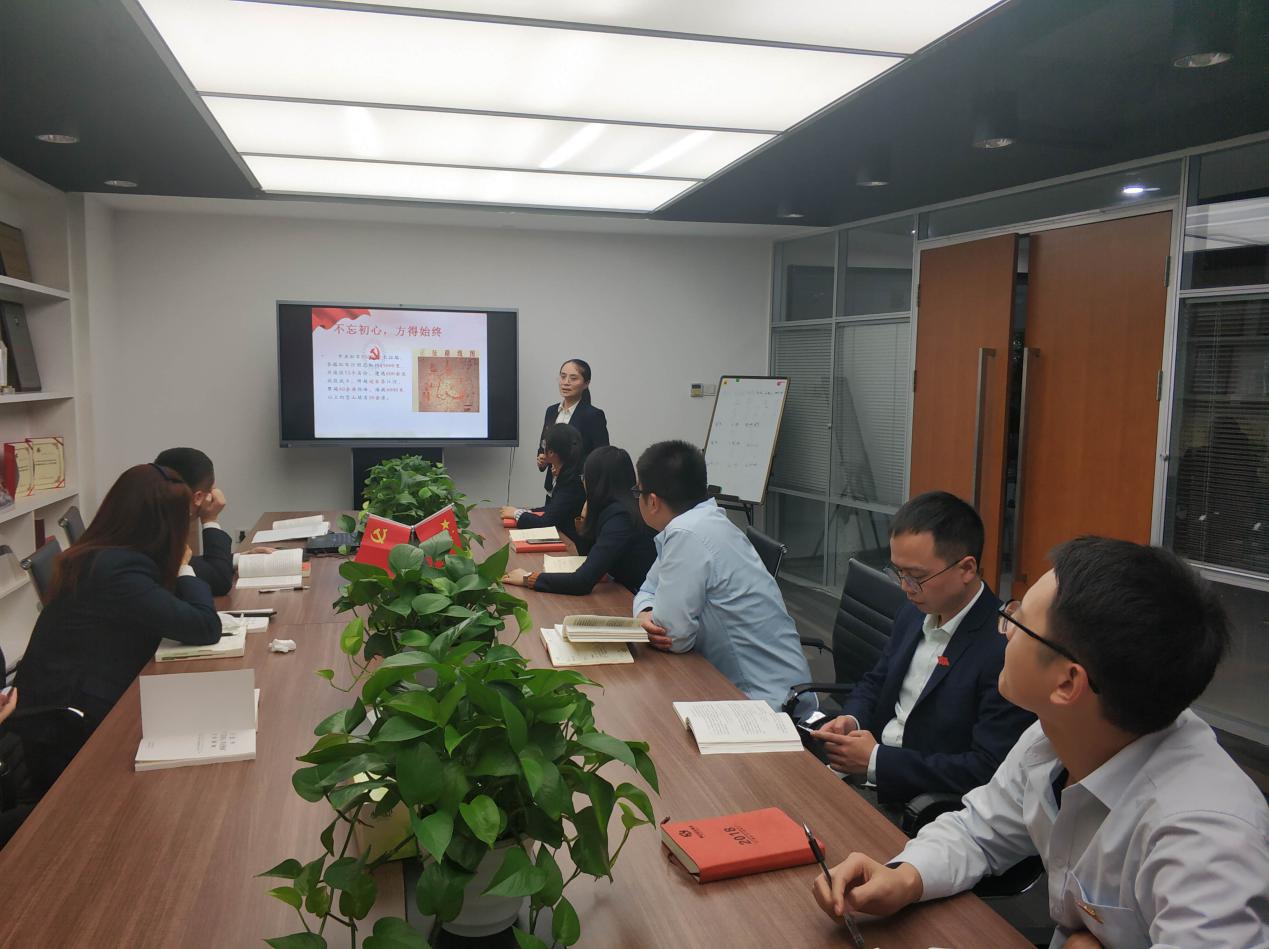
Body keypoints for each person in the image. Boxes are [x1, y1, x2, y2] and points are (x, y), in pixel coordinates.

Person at [812, 536, 1269, 949]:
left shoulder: (1206, 840)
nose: (1004, 629)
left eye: (1018, 621)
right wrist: (906, 878)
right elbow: (978, 831)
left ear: (1067, 683)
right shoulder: (1058, 732)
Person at [809, 491, 1034, 809]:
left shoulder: (1004, 648)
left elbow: (986, 770)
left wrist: (877, 761)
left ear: (967, 568)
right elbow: (877, 680)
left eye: (916, 577)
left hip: (917, 804)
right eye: (898, 572)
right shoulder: (914, 612)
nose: (905, 587)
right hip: (865, 767)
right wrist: (851, 719)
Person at [14, 463, 222, 788]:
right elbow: (204, 626)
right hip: (67, 730)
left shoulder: (106, 554)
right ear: (162, 524)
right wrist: (184, 567)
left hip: (74, 704)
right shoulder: (118, 571)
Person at [631, 440, 814, 716]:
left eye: (638, 491)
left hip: (764, 703)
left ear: (653, 501)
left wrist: (649, 616)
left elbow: (673, 638)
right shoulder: (701, 522)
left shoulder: (687, 534)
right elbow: (648, 589)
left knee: (648, 715)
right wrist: (645, 611)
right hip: (733, 683)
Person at [503, 446, 656, 595]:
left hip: (633, 597)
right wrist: (583, 519)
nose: (583, 482)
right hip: (622, 590)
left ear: (596, 481)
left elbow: (582, 582)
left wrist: (528, 578)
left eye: (584, 477)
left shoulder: (621, 517)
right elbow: (587, 556)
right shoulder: (617, 507)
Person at [154, 446, 233, 596]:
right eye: (211, 489)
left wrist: (234, 560)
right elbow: (219, 580)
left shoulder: (156, 520)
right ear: (198, 497)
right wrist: (210, 520)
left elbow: (191, 562)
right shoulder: (160, 536)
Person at [538, 358, 608, 493]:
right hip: (552, 489)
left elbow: (601, 457)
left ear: (586, 383)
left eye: (573, 378)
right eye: (563, 377)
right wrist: (543, 459)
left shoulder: (593, 415)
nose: (566, 382)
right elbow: (543, 445)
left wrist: (565, 467)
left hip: (577, 490)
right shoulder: (551, 411)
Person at [502, 423, 586, 533]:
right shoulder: (570, 474)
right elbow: (552, 509)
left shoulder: (572, 484)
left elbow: (546, 522)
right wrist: (524, 511)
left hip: (569, 541)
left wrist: (516, 513)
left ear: (551, 452)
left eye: (544, 444)